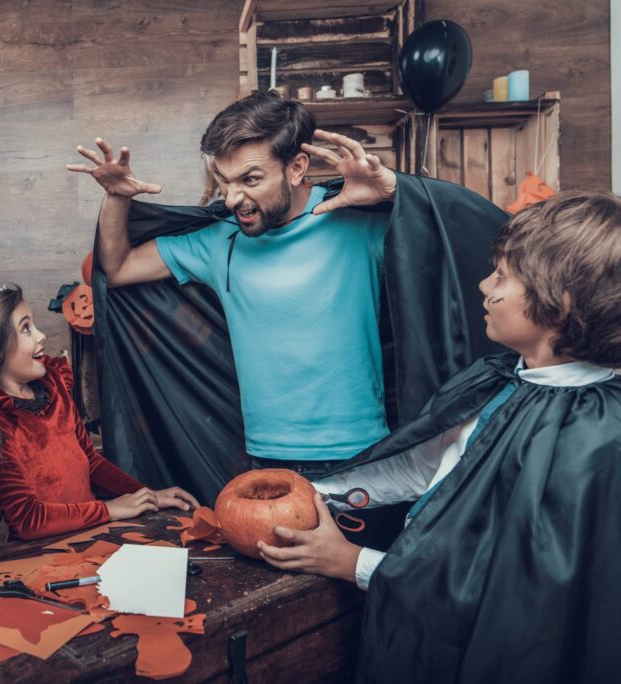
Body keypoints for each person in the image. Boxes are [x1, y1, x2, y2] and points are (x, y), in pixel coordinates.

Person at [69, 90, 507, 530]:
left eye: (250, 179)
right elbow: (118, 269)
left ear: (296, 167)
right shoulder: (217, 241)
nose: (232, 197)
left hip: (361, 455)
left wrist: (398, 191)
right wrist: (117, 198)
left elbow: (476, 243)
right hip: (264, 458)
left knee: (357, 582)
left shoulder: (354, 220)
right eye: (224, 180)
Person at [256, 191, 621, 682]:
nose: (483, 284)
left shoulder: (596, 440)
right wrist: (311, 493)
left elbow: (513, 603)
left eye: (503, 276)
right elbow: (431, 463)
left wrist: (351, 562)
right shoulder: (503, 378)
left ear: (560, 304)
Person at [0, 286, 199, 540]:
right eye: (26, 328)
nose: (41, 336)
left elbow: (90, 461)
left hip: (91, 533)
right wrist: (108, 509)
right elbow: (27, 520)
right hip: (42, 553)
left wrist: (147, 495)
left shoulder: (54, 388)